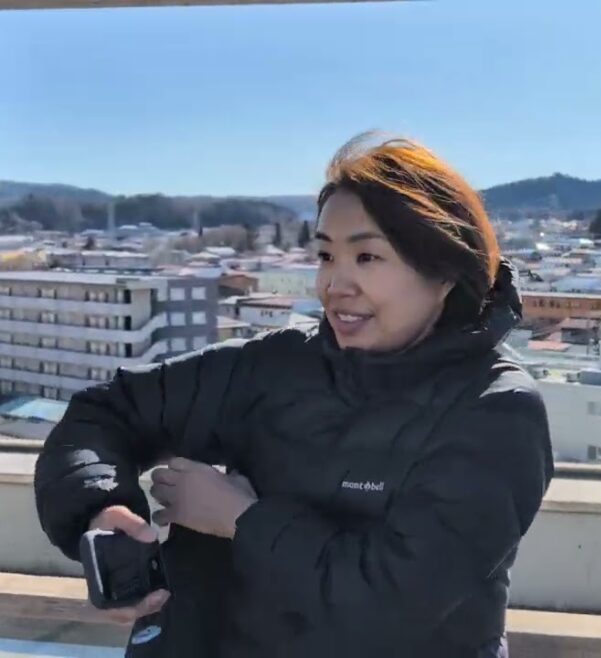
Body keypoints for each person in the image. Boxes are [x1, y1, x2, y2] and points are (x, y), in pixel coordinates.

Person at [33, 134, 553, 657]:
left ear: (443, 272)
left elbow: (399, 605)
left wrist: (240, 520)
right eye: (326, 255)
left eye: (367, 257)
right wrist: (103, 509)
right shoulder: (270, 367)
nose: (335, 284)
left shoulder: (495, 410)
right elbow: (105, 411)